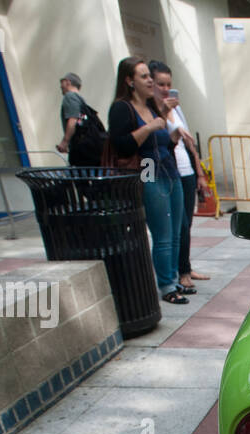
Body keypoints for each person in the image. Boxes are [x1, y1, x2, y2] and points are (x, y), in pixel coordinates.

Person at [107, 57, 189, 304]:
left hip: (168, 167)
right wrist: (152, 126)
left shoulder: (154, 106)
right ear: (129, 81)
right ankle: (166, 285)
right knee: (162, 231)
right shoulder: (122, 108)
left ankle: (173, 278)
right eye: (144, 76)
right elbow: (122, 145)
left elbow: (163, 139)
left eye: (149, 76)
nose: (150, 80)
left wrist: (170, 129)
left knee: (176, 229)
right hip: (147, 168)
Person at [149, 60, 212, 290]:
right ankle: (172, 279)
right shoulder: (149, 112)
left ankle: (181, 270)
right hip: (159, 173)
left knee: (183, 226)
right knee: (171, 230)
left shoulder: (174, 109)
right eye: (159, 84)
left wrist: (199, 173)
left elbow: (184, 142)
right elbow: (154, 145)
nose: (165, 89)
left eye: (168, 84)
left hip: (180, 171)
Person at [56, 73, 86, 159]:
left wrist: (65, 142)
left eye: (62, 82)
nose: (60, 86)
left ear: (68, 82)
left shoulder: (70, 96)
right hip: (86, 147)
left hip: (79, 149)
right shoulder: (81, 99)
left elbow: (73, 119)